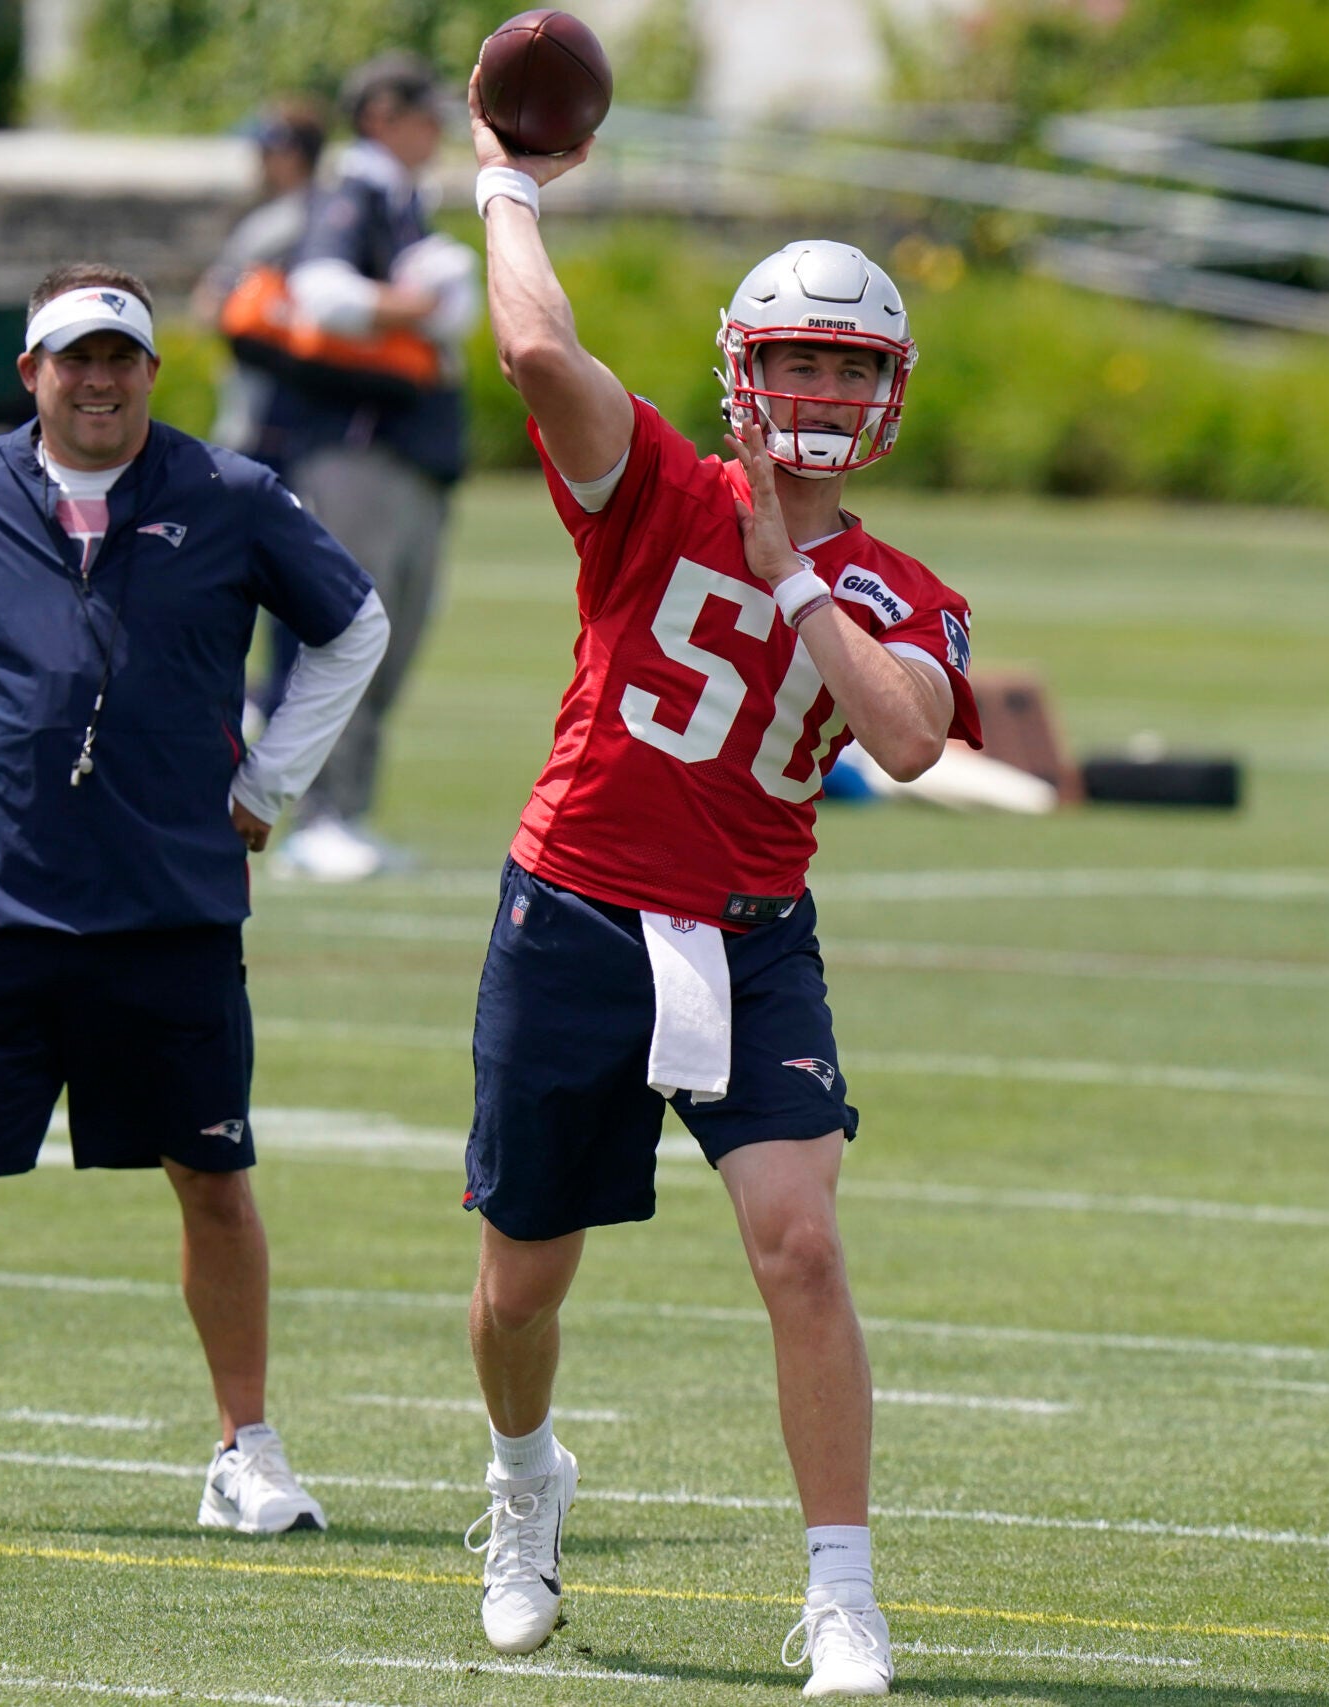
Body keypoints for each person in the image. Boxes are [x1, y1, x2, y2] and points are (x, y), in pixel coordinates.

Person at [453, 83, 982, 1699]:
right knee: (519, 1282)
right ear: (744, 373)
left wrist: (799, 571)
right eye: (797, 360)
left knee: (801, 1247)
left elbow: (903, 740)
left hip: (755, 944)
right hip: (582, 910)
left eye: (847, 365)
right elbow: (542, 357)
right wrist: (504, 190)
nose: (819, 389)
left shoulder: (905, 588)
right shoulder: (657, 488)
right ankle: (525, 1477)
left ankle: (843, 1595)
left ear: (886, 392)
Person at [0, 264, 390, 1535]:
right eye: (72, 358)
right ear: (30, 371)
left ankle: (246, 1453)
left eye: (119, 358)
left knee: (214, 1179)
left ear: (152, 372)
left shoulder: (230, 494)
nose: (96, 380)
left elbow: (353, 625)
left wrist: (273, 779)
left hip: (171, 907)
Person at [261, 52, 478, 883]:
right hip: (358, 453)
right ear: (382, 114)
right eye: (423, 114)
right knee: (351, 634)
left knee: (395, 635)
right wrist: (418, 307)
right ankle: (318, 817)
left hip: (406, 455)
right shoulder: (356, 192)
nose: (436, 131)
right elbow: (318, 292)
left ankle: (347, 811)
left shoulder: (400, 200)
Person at [192, 97, 332, 468]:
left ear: (290, 153)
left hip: (263, 406)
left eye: (265, 149)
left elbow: (210, 305)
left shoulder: (275, 224)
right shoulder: (336, 215)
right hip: (318, 409)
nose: (258, 159)